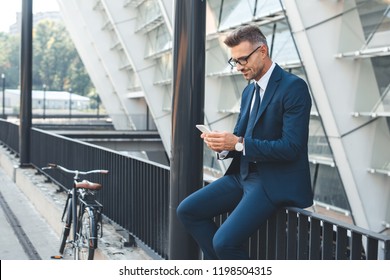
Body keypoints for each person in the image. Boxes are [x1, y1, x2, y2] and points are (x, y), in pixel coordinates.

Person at [176, 25, 313, 260]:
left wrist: (238, 144)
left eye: (242, 60)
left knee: (224, 242)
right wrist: (222, 146)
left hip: (271, 181)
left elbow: (291, 148)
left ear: (262, 51)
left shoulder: (294, 88)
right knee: (188, 210)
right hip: (242, 175)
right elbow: (240, 136)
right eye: (234, 62)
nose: (239, 67)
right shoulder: (249, 92)